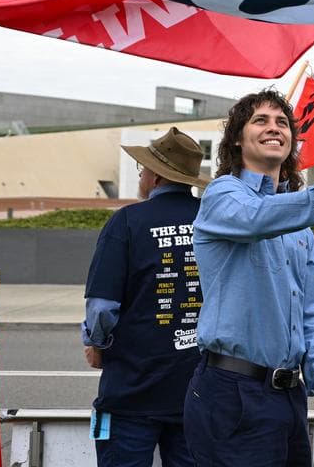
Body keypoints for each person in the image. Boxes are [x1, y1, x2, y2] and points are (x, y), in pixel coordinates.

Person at [183, 89, 314, 467]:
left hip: (289, 398)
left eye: (282, 122)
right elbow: (256, 217)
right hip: (231, 393)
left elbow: (311, 310)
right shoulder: (221, 195)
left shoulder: (300, 227)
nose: (274, 127)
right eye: (260, 121)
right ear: (237, 138)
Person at [82, 127, 211, 467]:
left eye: (142, 169)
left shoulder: (126, 222)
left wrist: (97, 344)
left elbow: (102, 308)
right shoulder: (214, 221)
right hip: (198, 390)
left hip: (130, 393)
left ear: (154, 177)